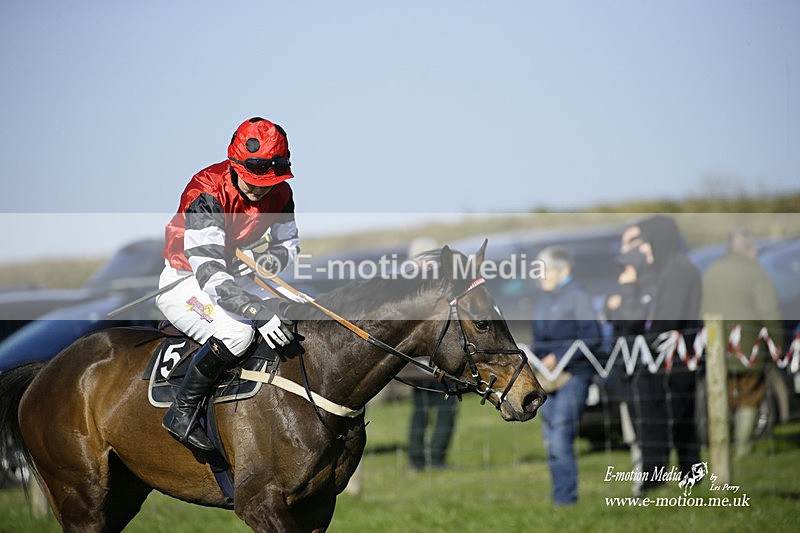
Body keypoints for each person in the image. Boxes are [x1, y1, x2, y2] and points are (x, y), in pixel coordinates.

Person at [155, 117, 300, 451]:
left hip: (237, 276)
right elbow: (210, 275)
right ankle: (182, 411)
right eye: (253, 180)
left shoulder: (282, 192)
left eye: (268, 181)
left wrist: (267, 262)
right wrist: (256, 312)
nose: (260, 189)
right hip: (186, 278)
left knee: (293, 312)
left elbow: (288, 242)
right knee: (240, 332)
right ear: (235, 163)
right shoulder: (205, 190)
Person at [605, 215, 702, 495]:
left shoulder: (678, 270)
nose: (643, 248)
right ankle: (667, 478)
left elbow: (664, 321)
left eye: (646, 242)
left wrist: (643, 333)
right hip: (659, 358)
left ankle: (684, 478)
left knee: (677, 422)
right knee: (659, 422)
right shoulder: (665, 269)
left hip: (673, 357)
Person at [701, 229, 783, 458]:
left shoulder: (711, 271)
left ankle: (721, 447)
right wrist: (778, 343)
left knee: (722, 395)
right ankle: (743, 447)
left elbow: (701, 309)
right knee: (750, 394)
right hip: (749, 346)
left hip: (716, 347)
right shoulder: (754, 272)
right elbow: (769, 311)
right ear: (748, 248)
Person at [532, 245, 602, 505]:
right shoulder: (543, 300)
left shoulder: (578, 297)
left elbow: (591, 336)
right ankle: (560, 497)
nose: (539, 276)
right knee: (551, 437)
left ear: (564, 270)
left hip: (574, 375)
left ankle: (565, 499)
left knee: (561, 434)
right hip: (547, 378)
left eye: (544, 270)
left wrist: (559, 357)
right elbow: (540, 340)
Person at [400, 237, 459, 471]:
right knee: (440, 408)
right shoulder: (436, 287)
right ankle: (430, 458)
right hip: (431, 359)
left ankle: (421, 459)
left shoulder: (410, 288)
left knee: (425, 409)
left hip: (423, 360)